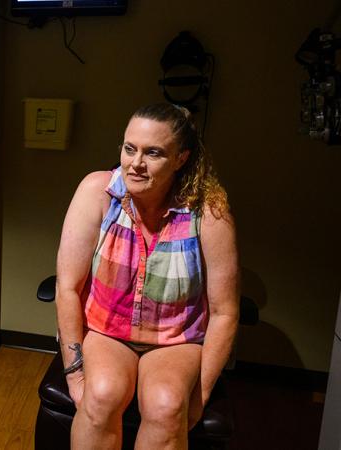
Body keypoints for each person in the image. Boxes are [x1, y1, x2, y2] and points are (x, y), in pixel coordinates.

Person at [55, 103, 239, 449]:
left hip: (176, 338)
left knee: (167, 405)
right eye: (129, 149)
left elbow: (226, 311)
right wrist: (75, 372)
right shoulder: (97, 192)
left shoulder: (209, 211)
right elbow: (67, 287)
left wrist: (198, 396)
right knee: (100, 395)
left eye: (153, 153)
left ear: (181, 158)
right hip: (108, 331)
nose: (135, 163)